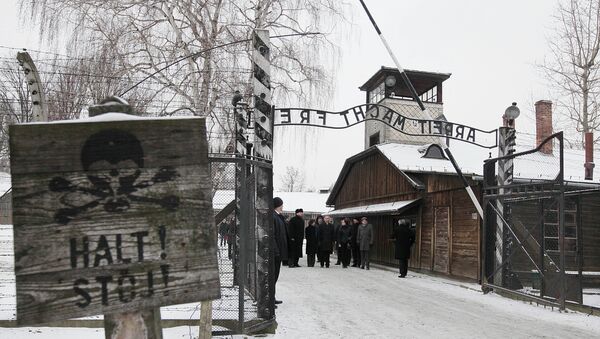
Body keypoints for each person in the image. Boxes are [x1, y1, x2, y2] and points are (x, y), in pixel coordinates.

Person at [272, 197, 288, 306]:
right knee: (273, 276)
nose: (283, 207)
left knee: (275, 276)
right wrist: (276, 250)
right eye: (282, 205)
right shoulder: (273, 216)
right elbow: (272, 236)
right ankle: (270, 300)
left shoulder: (277, 216)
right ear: (278, 205)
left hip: (278, 250)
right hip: (275, 252)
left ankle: (272, 298)